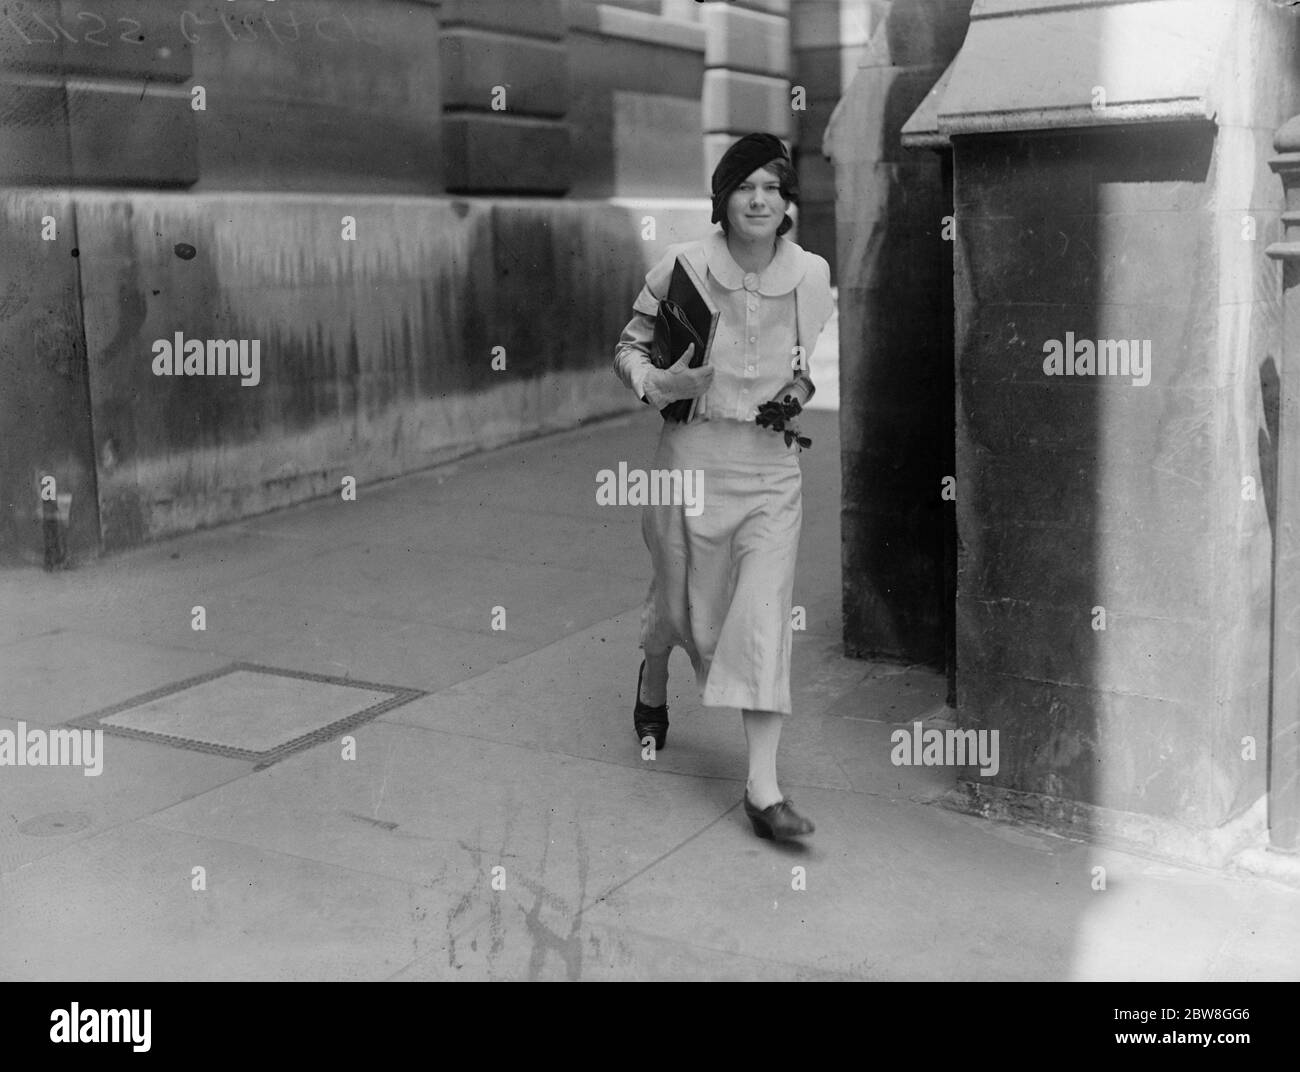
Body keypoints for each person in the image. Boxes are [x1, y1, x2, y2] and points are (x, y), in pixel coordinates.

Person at [612, 132, 834, 841]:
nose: (760, 199)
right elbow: (627, 349)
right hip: (691, 463)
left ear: (786, 197)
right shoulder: (683, 267)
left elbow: (802, 365)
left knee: (762, 616)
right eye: (745, 187)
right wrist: (657, 383)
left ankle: (763, 789)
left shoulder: (811, 274)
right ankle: (653, 675)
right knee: (678, 604)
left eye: (772, 186)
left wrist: (796, 390)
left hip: (771, 470)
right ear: (724, 198)